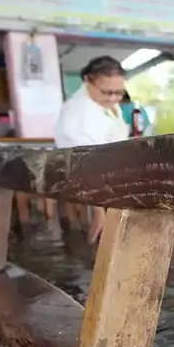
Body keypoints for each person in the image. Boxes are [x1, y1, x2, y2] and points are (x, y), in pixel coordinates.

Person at [54, 56, 133, 243]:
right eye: (107, 92)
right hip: (93, 183)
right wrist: (99, 211)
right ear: (88, 80)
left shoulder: (104, 105)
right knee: (103, 237)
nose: (114, 98)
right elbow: (87, 160)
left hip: (112, 177)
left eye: (118, 93)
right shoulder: (80, 112)